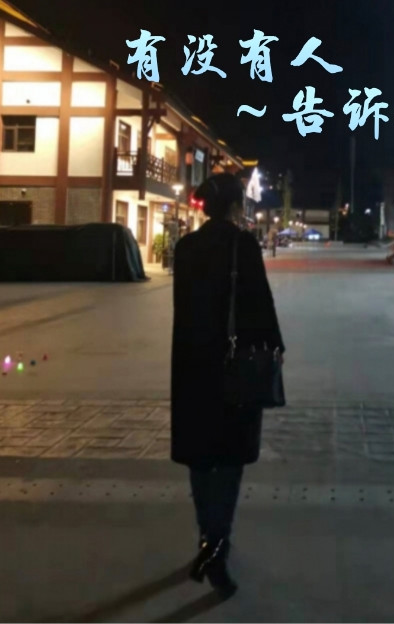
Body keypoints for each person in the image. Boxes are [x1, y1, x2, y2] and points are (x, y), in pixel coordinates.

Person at [170, 173, 285, 600]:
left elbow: (183, 310)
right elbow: (261, 304)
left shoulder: (185, 247)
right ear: (236, 205)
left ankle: (208, 538)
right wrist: (275, 347)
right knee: (231, 460)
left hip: (192, 368)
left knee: (201, 459)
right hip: (235, 368)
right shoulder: (243, 245)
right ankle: (218, 546)